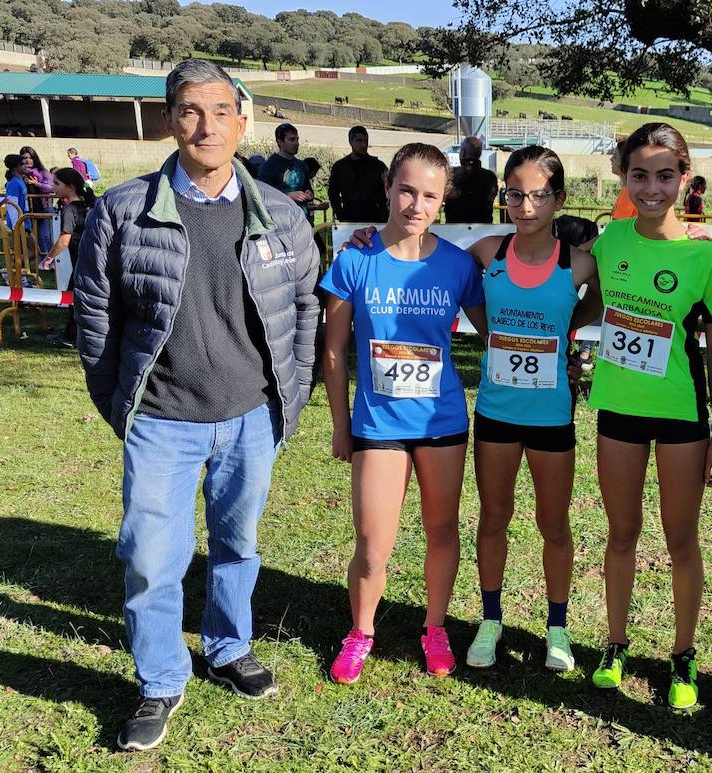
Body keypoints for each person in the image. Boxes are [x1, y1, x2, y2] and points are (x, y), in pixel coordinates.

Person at [73, 59, 320, 753]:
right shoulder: (121, 211)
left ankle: (228, 644)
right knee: (151, 554)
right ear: (169, 120)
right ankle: (158, 680)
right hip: (161, 421)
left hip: (251, 419)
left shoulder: (284, 216)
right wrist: (121, 404)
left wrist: (286, 405)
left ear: (243, 122)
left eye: (219, 111)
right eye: (189, 110)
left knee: (237, 545)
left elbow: (302, 314)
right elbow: (96, 319)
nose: (205, 125)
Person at [322, 143, 487, 685]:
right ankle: (361, 632)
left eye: (430, 195)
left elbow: (494, 333)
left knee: (442, 530)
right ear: (389, 188)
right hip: (378, 427)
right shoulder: (355, 258)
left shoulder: (459, 265)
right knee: (373, 545)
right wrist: (341, 424)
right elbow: (333, 349)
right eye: (408, 190)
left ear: (444, 201)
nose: (417, 204)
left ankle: (434, 627)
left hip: (442, 424)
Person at [586, 122, 712, 711]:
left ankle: (682, 654)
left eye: (665, 176)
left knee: (681, 539)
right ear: (622, 178)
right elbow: (570, 283)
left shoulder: (702, 257)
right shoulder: (609, 241)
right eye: (639, 175)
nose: (652, 188)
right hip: (618, 412)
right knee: (621, 535)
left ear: (685, 178)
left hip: (682, 418)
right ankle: (615, 644)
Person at [461, 145, 602, 673]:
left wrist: (568, 332)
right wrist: (488, 330)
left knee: (554, 524)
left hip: (552, 419)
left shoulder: (580, 263)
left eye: (539, 195)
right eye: (515, 194)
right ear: (504, 198)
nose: (526, 206)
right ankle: (491, 619)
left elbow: (600, 302)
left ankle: (557, 626)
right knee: (493, 518)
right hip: (496, 413)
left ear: (559, 199)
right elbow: (436, 263)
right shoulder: (486, 253)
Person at [38, 167, 95, 348]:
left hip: (82, 261)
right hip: (93, 259)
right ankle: (74, 335)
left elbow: (64, 240)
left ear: (70, 187)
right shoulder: (90, 205)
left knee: (73, 300)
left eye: (56, 183)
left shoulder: (70, 209)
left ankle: (74, 337)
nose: (53, 186)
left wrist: (48, 258)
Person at [328, 125, 389, 223]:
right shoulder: (340, 167)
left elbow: (389, 190)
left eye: (366, 141)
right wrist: (340, 215)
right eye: (359, 141)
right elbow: (333, 194)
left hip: (376, 220)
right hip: (349, 220)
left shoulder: (378, 166)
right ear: (351, 142)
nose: (363, 145)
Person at [257, 123, 314, 213]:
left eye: (297, 139)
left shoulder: (302, 165)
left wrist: (309, 194)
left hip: (302, 219)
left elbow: (307, 188)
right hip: (280, 220)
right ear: (280, 142)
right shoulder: (269, 166)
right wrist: (288, 196)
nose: (296, 143)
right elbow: (262, 195)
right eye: (292, 139)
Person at [443, 136, 499, 224]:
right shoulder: (490, 177)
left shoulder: (451, 174)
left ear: (463, 153)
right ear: (480, 155)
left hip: (453, 230)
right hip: (484, 229)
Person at [19, 146, 55, 255]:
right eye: (24, 158)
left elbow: (51, 188)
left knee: (45, 235)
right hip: (30, 209)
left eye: (30, 157)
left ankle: (51, 260)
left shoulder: (44, 172)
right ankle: (42, 260)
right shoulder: (21, 174)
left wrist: (36, 184)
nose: (27, 160)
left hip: (45, 208)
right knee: (36, 236)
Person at [609, 140, 638, 220]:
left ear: (625, 162)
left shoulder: (628, 192)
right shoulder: (631, 188)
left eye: (615, 156)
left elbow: (617, 227)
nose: (611, 159)